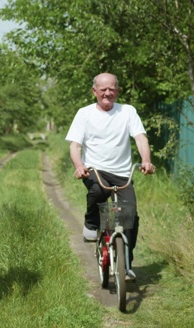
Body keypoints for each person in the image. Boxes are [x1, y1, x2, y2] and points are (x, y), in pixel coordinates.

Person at [65, 72, 155, 281]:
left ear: (118, 91)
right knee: (97, 190)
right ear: (94, 91)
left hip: (123, 173)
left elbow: (140, 138)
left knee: (130, 217)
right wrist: (79, 166)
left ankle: (126, 266)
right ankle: (91, 223)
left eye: (112, 89)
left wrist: (146, 160)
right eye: (103, 89)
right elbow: (75, 145)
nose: (108, 93)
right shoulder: (84, 114)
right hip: (95, 170)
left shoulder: (128, 111)